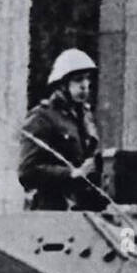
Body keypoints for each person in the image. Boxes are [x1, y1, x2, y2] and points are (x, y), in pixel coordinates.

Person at [18, 48, 105, 211]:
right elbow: (27, 171)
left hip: (81, 208)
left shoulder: (86, 118)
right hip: (50, 209)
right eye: (78, 80)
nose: (85, 86)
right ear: (62, 84)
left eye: (87, 80)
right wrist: (70, 174)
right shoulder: (42, 117)